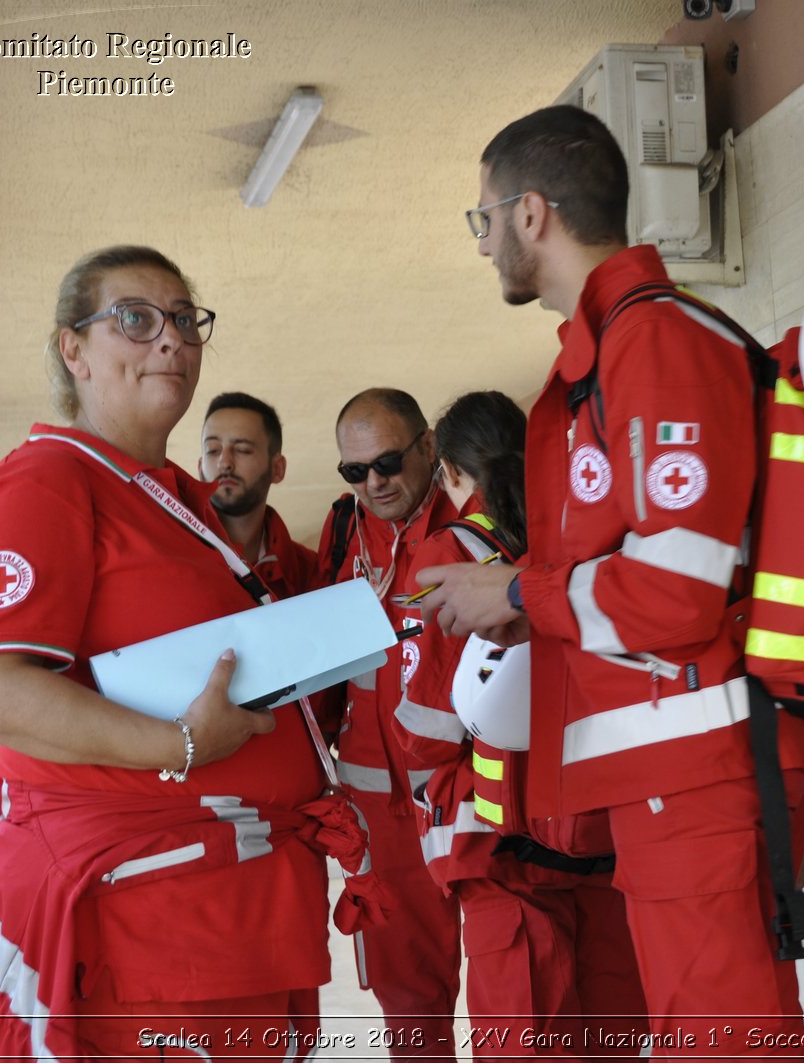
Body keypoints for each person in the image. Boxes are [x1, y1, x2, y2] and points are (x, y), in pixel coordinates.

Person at [419, 105, 804, 1058]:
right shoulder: (599, 362)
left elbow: (676, 592)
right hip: (662, 776)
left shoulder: (659, 343)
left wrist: (517, 593)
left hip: (704, 770)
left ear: (530, 215)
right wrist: (530, 600)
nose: (482, 247)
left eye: (482, 221)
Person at [0, 246, 347, 1059]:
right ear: (74, 350)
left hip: (226, 907)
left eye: (187, 321)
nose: (172, 341)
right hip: (143, 927)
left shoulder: (168, 496)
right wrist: (184, 743)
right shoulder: (48, 483)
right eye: (136, 319)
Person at [394, 390, 647, 1058]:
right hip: (600, 841)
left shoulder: (447, 558)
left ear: (448, 472)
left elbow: (425, 727)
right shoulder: (582, 536)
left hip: (500, 849)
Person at [315, 388, 462, 1060]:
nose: (373, 482)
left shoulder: (472, 517)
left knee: (516, 990)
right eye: (355, 470)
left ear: (428, 446)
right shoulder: (343, 529)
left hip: (471, 800)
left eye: (389, 461)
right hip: (381, 815)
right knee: (410, 1004)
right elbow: (321, 673)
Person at [199, 391, 317, 599]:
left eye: (243, 450)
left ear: (277, 469)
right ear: (200, 469)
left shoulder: (311, 573)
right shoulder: (173, 554)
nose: (225, 462)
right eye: (213, 450)